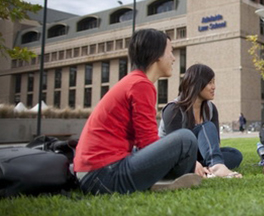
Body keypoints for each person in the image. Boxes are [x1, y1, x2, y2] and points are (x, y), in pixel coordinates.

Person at [74, 29, 208, 194]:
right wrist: (187, 159)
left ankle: (165, 179)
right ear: (157, 54)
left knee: (180, 144)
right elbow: (148, 142)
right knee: (185, 139)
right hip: (103, 175)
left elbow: (142, 142)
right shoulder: (140, 85)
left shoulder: (134, 81)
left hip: (95, 173)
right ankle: (170, 180)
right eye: (170, 52)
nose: (173, 58)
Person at [160, 64, 243, 178]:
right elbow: (175, 146)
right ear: (196, 84)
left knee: (235, 154)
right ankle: (215, 166)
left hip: (199, 154)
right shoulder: (173, 109)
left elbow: (215, 144)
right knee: (205, 126)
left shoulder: (210, 108)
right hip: (174, 157)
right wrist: (192, 161)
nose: (214, 87)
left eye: (214, 82)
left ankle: (208, 167)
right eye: (209, 83)